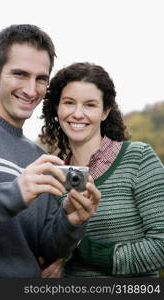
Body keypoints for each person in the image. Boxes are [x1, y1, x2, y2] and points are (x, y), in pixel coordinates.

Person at [0, 26, 100, 277]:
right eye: (20, 74)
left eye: (41, 78)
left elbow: (46, 248)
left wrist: (71, 220)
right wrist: (16, 192)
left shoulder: (39, 157)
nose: (31, 90)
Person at [40, 62, 164, 277]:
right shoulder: (51, 175)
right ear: (57, 108)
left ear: (105, 111)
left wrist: (78, 250)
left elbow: (160, 247)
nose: (78, 114)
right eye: (69, 102)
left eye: (90, 105)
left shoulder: (138, 158)